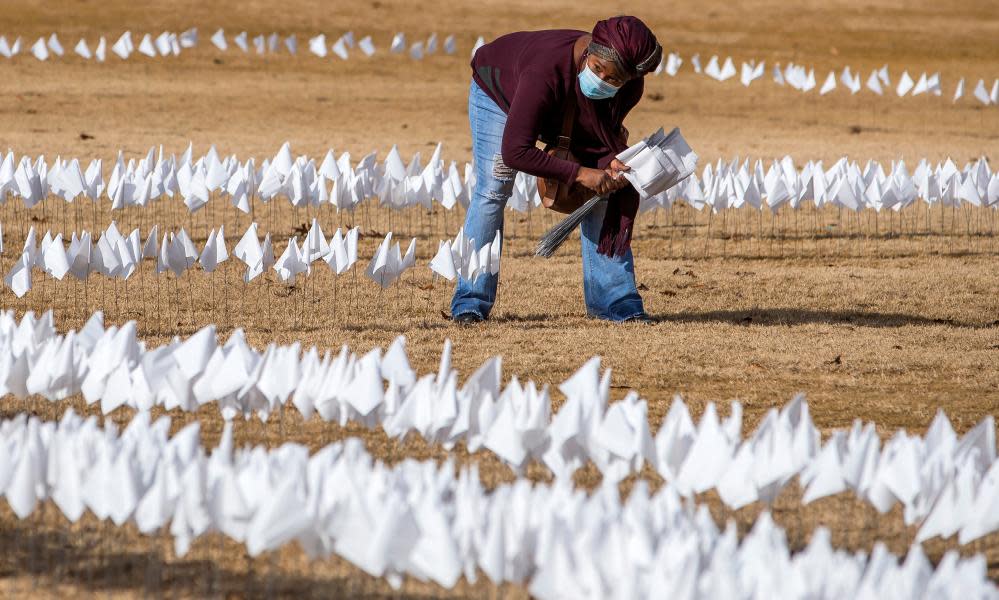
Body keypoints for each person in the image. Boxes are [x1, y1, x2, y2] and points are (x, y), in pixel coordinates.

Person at [451, 16, 662, 325]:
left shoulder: (629, 88)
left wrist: (608, 164)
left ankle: (616, 300)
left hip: (561, 106)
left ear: (630, 79)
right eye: (598, 68)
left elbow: (604, 137)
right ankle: (470, 300)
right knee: (493, 190)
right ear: (590, 50)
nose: (603, 79)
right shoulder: (543, 72)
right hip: (499, 93)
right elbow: (515, 151)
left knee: (605, 188)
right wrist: (579, 173)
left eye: (614, 79)